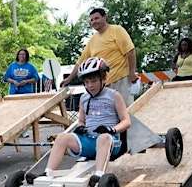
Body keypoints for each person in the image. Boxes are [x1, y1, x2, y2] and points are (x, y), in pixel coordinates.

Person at [29, 57, 131, 186]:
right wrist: (80, 127)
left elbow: (126, 121)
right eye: (87, 82)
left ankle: (98, 175)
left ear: (104, 78)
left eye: (93, 81)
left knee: (103, 138)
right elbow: (81, 121)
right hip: (89, 142)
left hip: (110, 142)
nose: (90, 85)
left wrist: (112, 130)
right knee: (62, 137)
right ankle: (48, 173)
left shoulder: (113, 95)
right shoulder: (84, 98)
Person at [60, 8, 139, 107]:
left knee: (125, 111)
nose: (94, 22)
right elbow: (81, 61)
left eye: (96, 18)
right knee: (108, 115)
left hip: (120, 79)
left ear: (104, 17)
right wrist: (69, 79)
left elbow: (130, 51)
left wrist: (131, 72)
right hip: (103, 83)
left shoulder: (116, 30)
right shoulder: (92, 40)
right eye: (92, 20)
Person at [4, 48, 39, 138]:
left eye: (23, 54)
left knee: (25, 113)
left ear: (26, 56)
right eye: (20, 54)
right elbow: (6, 77)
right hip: (14, 93)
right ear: (18, 56)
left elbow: (36, 78)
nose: (22, 56)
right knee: (15, 113)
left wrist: (26, 81)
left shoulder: (30, 67)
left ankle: (24, 131)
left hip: (26, 93)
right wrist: (14, 81)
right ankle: (15, 131)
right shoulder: (12, 66)